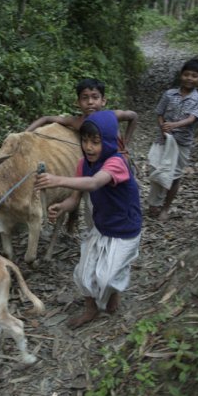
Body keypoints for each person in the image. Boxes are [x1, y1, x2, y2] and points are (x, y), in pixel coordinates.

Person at [34, 110, 142, 329]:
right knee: (84, 274)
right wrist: (62, 207)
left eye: (96, 141)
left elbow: (93, 184)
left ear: (110, 141)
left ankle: (113, 294)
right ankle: (90, 309)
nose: (89, 146)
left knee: (107, 278)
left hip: (124, 229)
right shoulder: (83, 164)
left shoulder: (116, 163)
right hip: (101, 226)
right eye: (85, 140)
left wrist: (57, 180)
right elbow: (75, 199)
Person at [148, 59, 198, 221]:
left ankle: (165, 208)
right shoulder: (169, 94)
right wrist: (163, 127)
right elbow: (159, 113)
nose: (189, 78)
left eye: (194, 76)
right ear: (181, 75)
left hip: (182, 142)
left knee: (175, 175)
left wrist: (173, 125)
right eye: (186, 74)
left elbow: (192, 119)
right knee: (156, 169)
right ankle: (154, 203)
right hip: (163, 140)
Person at [25, 78, 138, 159]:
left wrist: (125, 143)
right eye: (85, 98)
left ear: (103, 101)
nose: (90, 102)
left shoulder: (113, 115)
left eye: (95, 97)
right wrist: (24, 134)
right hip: (95, 164)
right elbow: (46, 119)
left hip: (119, 160)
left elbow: (133, 116)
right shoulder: (77, 122)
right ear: (78, 102)